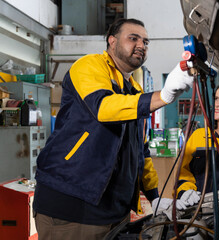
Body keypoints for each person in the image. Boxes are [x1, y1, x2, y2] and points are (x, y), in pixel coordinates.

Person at [33, 18, 193, 240]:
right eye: (133, 38)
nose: (141, 45)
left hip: (116, 213)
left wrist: (154, 196)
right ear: (112, 41)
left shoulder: (134, 89)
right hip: (73, 207)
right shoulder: (88, 66)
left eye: (146, 41)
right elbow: (104, 108)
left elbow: (140, 151)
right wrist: (162, 96)